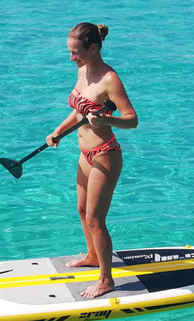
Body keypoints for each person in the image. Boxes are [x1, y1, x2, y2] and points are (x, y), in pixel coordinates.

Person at [46, 22, 138, 299]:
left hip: (105, 154)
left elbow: (131, 120)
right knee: (82, 209)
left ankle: (106, 280)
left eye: (76, 52)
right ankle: (92, 256)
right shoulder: (82, 70)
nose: (71, 58)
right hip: (84, 155)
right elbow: (79, 111)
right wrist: (58, 132)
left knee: (96, 219)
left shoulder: (110, 79)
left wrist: (107, 120)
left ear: (94, 47)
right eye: (70, 52)